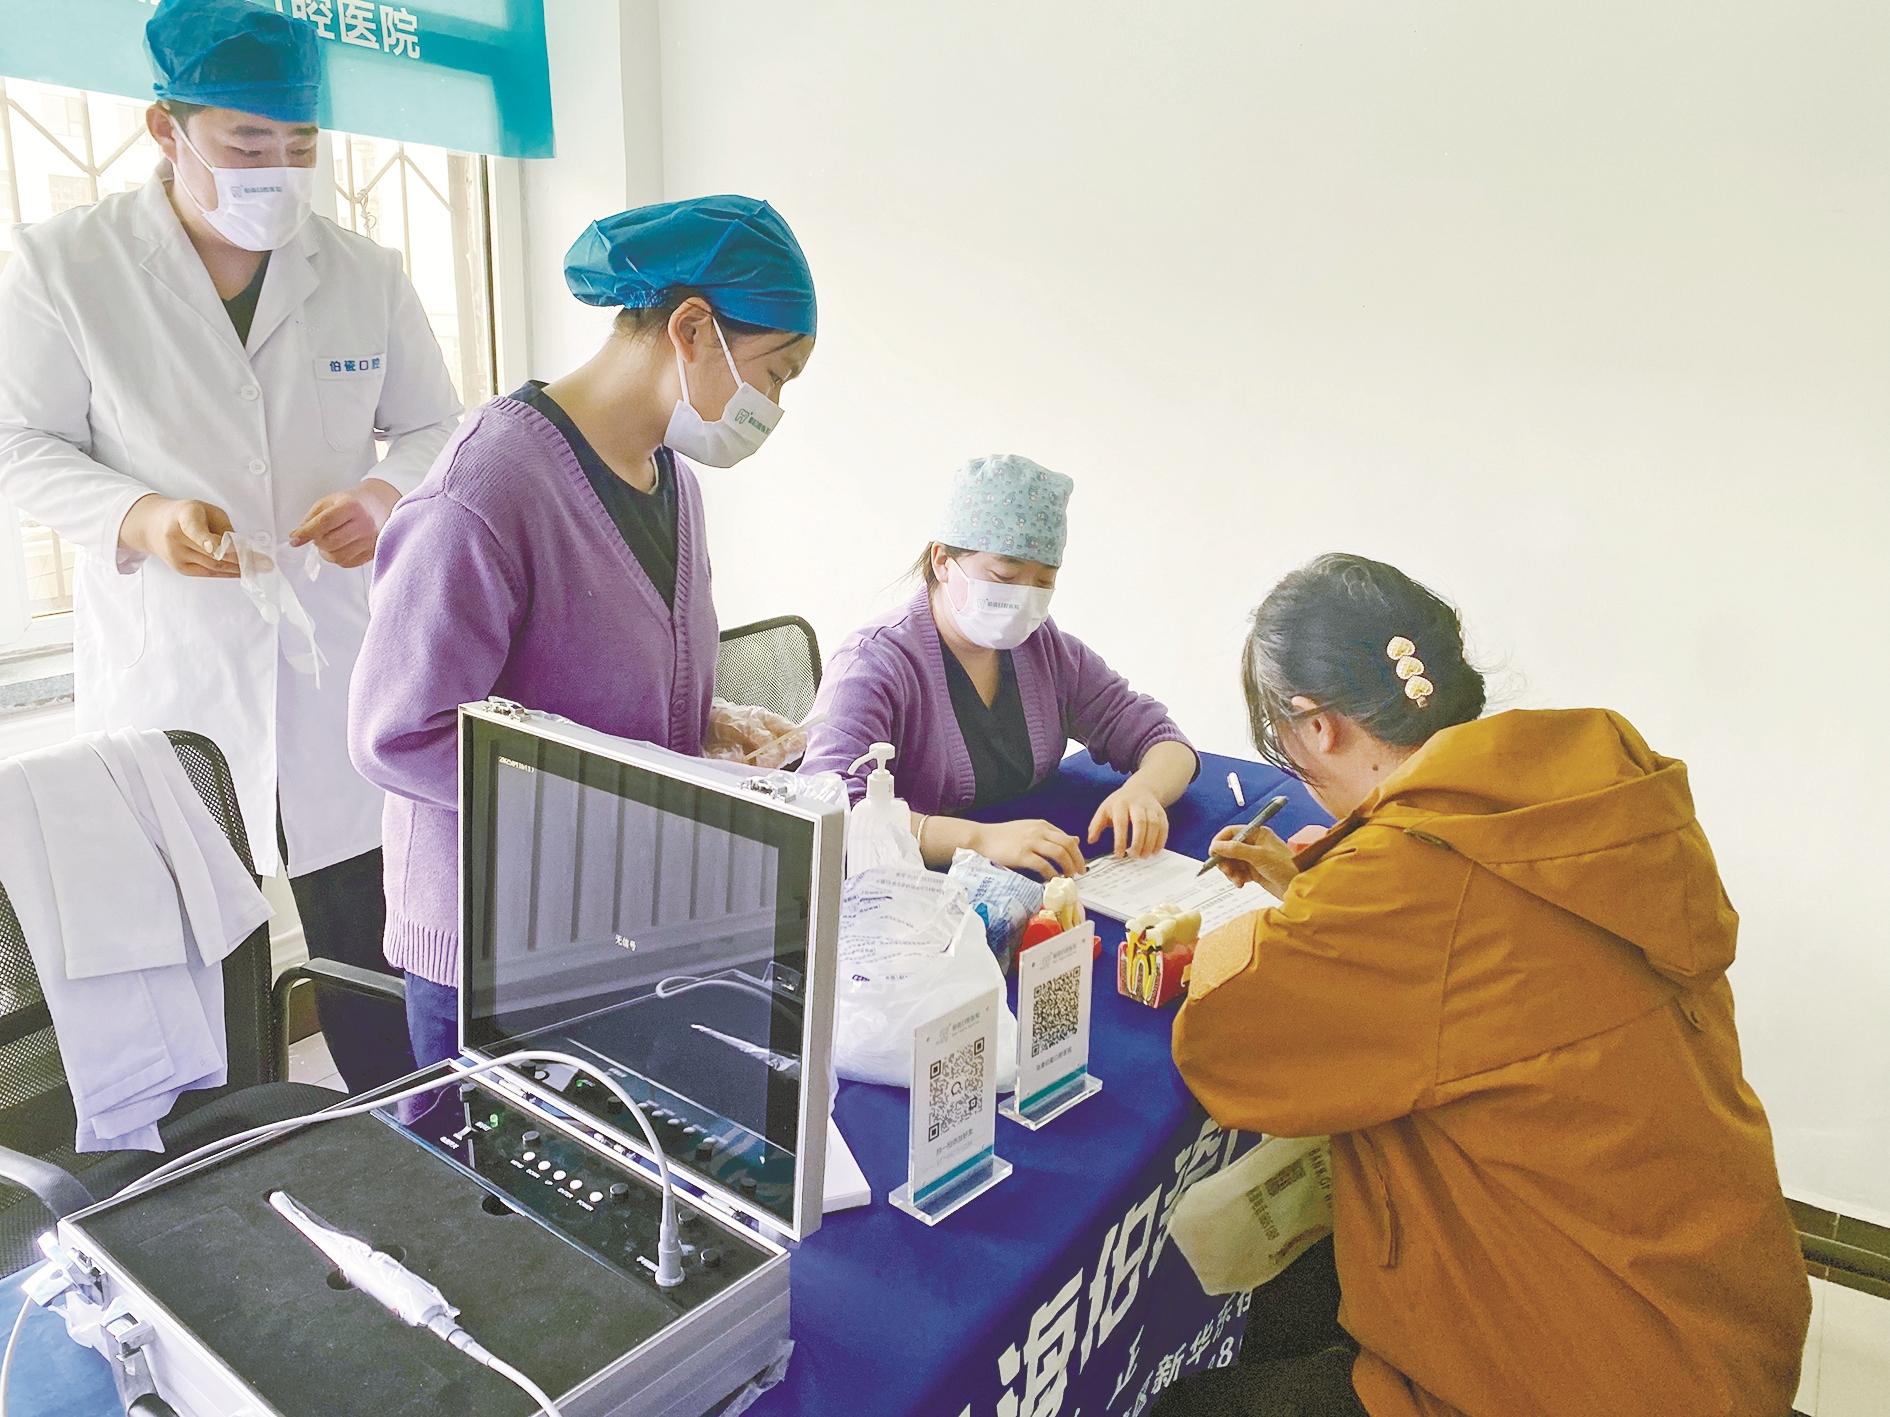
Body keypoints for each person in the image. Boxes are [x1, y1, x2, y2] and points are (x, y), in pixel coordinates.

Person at [1158, 553, 1809, 1417]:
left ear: (1317, 726)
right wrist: (1323, 886)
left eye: (1286, 744)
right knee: (1308, 1293)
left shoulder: (1405, 879)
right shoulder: (1593, 792)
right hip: (1719, 1314)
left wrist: (1236, 928)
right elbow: (1475, 959)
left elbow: (1229, 1045)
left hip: (1596, 1376)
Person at [0, 0, 462, 1091]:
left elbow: (440, 427)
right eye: (248, 144)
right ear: (166, 130)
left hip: (336, 676)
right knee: (192, 995)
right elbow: (19, 443)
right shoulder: (64, 265)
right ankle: (225, 1168)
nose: (279, 172)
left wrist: (384, 493)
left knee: (373, 970)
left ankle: (407, 1148)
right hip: (173, 673)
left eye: (300, 144)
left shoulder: (364, 270)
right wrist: (140, 517)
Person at [349, 195, 818, 1067]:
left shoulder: (670, 480)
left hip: (615, 928)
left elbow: (601, 681)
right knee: (493, 1158)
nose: (774, 405)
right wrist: (642, 791)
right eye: (777, 374)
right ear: (692, 329)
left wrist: (712, 729)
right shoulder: (487, 487)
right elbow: (399, 732)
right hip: (496, 950)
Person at [803, 455, 1198, 879]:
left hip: (1025, 876)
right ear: (942, 562)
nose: (1024, 597)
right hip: (912, 891)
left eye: (1044, 581)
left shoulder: (1045, 649)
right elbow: (828, 811)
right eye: (1005, 576)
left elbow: (1163, 739)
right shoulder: (873, 664)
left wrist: (1144, 792)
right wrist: (978, 840)